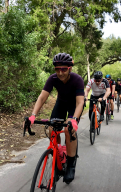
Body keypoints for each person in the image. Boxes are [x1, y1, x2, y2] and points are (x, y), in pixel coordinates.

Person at [27, 53, 84, 184]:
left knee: (68, 130)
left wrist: (74, 119)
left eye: (64, 69)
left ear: (70, 68)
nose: (60, 72)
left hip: (74, 105)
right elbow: (42, 97)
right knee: (51, 129)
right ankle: (59, 155)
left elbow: (80, 102)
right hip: (61, 104)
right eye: (57, 69)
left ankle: (70, 164)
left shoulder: (77, 79)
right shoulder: (52, 78)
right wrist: (33, 115)